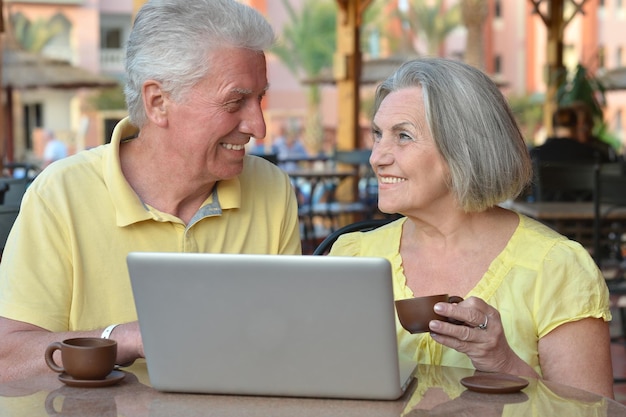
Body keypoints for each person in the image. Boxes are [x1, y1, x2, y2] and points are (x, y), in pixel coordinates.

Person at [0, 0, 302, 381]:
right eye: (235, 101)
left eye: (259, 98)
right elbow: (7, 357)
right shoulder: (60, 194)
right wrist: (124, 339)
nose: (258, 126)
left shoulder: (272, 189)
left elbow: (289, 340)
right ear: (158, 102)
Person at [328, 57, 614, 398]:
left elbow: (590, 412)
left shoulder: (557, 268)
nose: (377, 157)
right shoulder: (351, 256)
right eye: (378, 135)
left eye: (403, 136)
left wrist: (504, 363)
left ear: (463, 150)